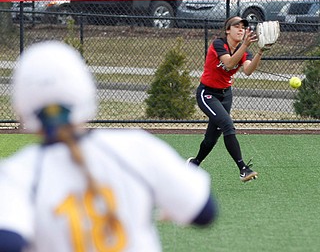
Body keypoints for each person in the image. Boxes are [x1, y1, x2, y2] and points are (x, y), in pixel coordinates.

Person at [0, 41, 218, 252]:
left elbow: (8, 242)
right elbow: (205, 212)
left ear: (21, 106)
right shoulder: (134, 146)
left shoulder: (19, 172)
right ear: (85, 91)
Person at [188, 16, 267, 182]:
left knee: (211, 138)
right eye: (236, 26)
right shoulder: (219, 44)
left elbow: (248, 70)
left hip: (225, 95)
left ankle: (194, 164)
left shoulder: (246, 51)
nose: (241, 29)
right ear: (227, 30)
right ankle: (243, 168)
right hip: (207, 94)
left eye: (243, 27)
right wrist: (245, 44)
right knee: (227, 125)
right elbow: (229, 63)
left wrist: (260, 51)